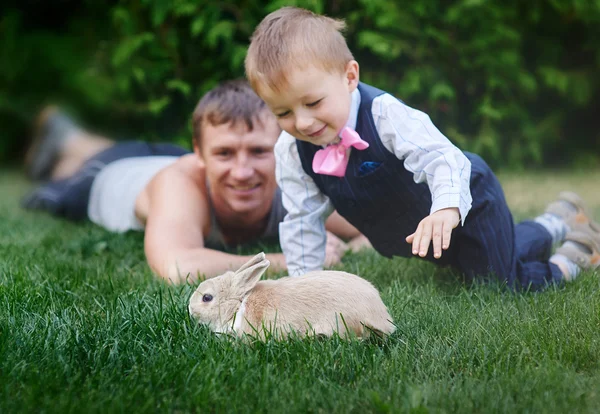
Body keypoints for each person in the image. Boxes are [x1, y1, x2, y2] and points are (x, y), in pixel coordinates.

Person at [244, 7, 600, 289]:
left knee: (496, 282)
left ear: (349, 77)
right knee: (472, 262)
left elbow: (441, 159)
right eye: (283, 112)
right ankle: (557, 219)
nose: (302, 122)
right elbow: (302, 219)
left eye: (313, 102)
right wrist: (306, 286)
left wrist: (446, 208)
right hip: (427, 230)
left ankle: (572, 258)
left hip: (468, 200)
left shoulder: (385, 115)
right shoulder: (292, 150)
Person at [22, 79, 370, 283]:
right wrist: (288, 258)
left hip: (167, 159)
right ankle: (65, 145)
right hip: (107, 178)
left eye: (259, 151)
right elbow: (178, 265)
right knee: (56, 181)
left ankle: (70, 137)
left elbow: (370, 225)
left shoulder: (292, 180)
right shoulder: (179, 185)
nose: (243, 171)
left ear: (281, 147)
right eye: (225, 154)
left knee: (130, 152)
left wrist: (351, 247)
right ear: (200, 154)